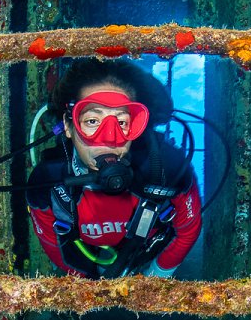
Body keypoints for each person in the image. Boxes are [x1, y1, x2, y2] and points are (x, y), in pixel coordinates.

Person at [26, 57, 202, 278]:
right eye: (92, 121)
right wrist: (87, 286)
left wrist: (155, 276)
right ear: (68, 126)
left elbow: (187, 230)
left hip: (145, 254)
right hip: (89, 257)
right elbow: (54, 246)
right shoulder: (47, 182)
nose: (110, 139)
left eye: (122, 122)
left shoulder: (168, 169)